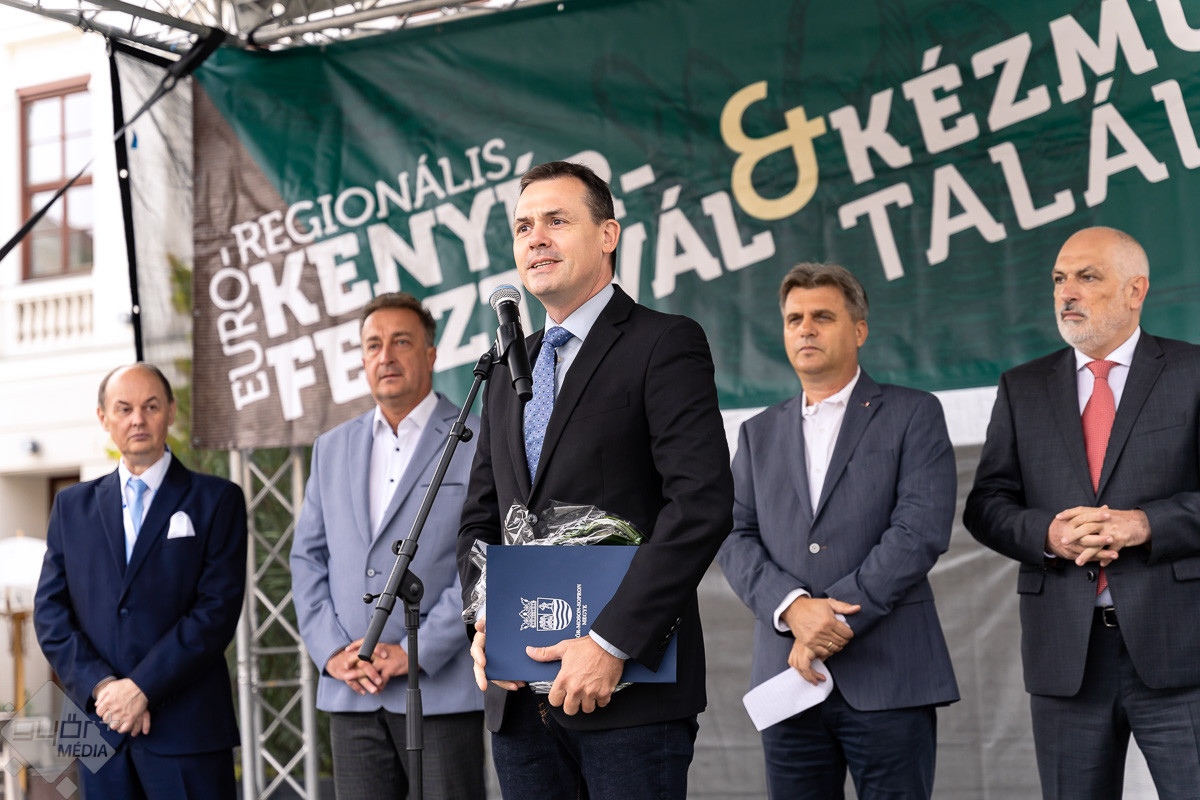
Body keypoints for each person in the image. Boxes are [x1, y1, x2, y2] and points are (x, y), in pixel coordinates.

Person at [456, 160, 733, 799]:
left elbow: (701, 503)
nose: (536, 238)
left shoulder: (664, 343)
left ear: (608, 235)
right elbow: (480, 517)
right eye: (523, 226)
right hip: (519, 701)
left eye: (557, 220)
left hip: (628, 692)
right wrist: (487, 619)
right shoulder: (507, 367)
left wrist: (612, 642)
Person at [964, 226, 1200, 800]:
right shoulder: (1022, 387)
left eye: (1087, 277)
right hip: (1066, 656)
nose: (1066, 292)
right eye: (1058, 279)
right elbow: (987, 504)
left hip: (1180, 649)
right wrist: (1047, 534)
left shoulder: (1192, 371)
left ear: (1136, 290)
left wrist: (1145, 524)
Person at [717, 263, 959, 799]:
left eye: (823, 316)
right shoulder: (757, 433)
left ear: (859, 329)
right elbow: (733, 535)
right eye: (794, 319)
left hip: (890, 675)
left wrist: (831, 619)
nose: (806, 328)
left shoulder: (914, 413)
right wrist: (792, 608)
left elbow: (919, 529)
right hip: (787, 679)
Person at [290, 292, 485, 800]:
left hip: (441, 689)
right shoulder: (331, 447)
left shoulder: (476, 438)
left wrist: (417, 651)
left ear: (431, 354)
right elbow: (307, 558)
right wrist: (332, 651)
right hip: (350, 690)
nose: (386, 356)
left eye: (402, 341)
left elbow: (486, 559)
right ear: (362, 359)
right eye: (373, 345)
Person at [33, 363, 247, 798]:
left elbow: (216, 611)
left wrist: (142, 687)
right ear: (103, 418)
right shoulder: (70, 506)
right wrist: (103, 688)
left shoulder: (217, 498)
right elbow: (50, 614)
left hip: (187, 725)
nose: (138, 419)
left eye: (151, 406)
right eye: (124, 408)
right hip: (94, 723)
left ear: (171, 411)